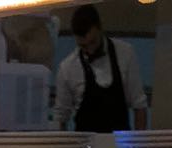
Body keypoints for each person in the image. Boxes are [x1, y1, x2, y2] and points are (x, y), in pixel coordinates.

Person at [54, 5, 148, 133]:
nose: (90, 50)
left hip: (120, 143)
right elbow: (61, 118)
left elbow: (139, 105)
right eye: (83, 46)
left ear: (100, 29)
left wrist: (139, 144)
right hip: (85, 143)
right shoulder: (67, 68)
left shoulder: (126, 53)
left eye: (93, 42)